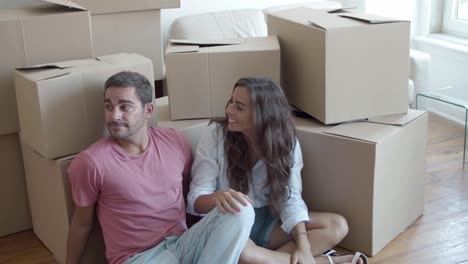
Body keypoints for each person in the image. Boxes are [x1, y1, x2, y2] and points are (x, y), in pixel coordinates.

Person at [66, 71, 255, 264]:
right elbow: (82, 224)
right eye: (109, 106)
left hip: (183, 243)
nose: (114, 115)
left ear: (148, 110)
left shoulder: (175, 141)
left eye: (125, 107)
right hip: (140, 258)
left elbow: (187, 195)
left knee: (242, 209)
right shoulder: (90, 162)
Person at [187, 77, 368, 264]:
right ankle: (325, 261)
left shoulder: (286, 144)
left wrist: (303, 246)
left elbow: (291, 199)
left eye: (239, 107)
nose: (229, 110)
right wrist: (216, 198)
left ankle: (289, 259)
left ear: (263, 114)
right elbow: (195, 199)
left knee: (337, 225)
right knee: (242, 254)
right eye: (231, 102)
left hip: (267, 222)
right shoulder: (215, 135)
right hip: (229, 221)